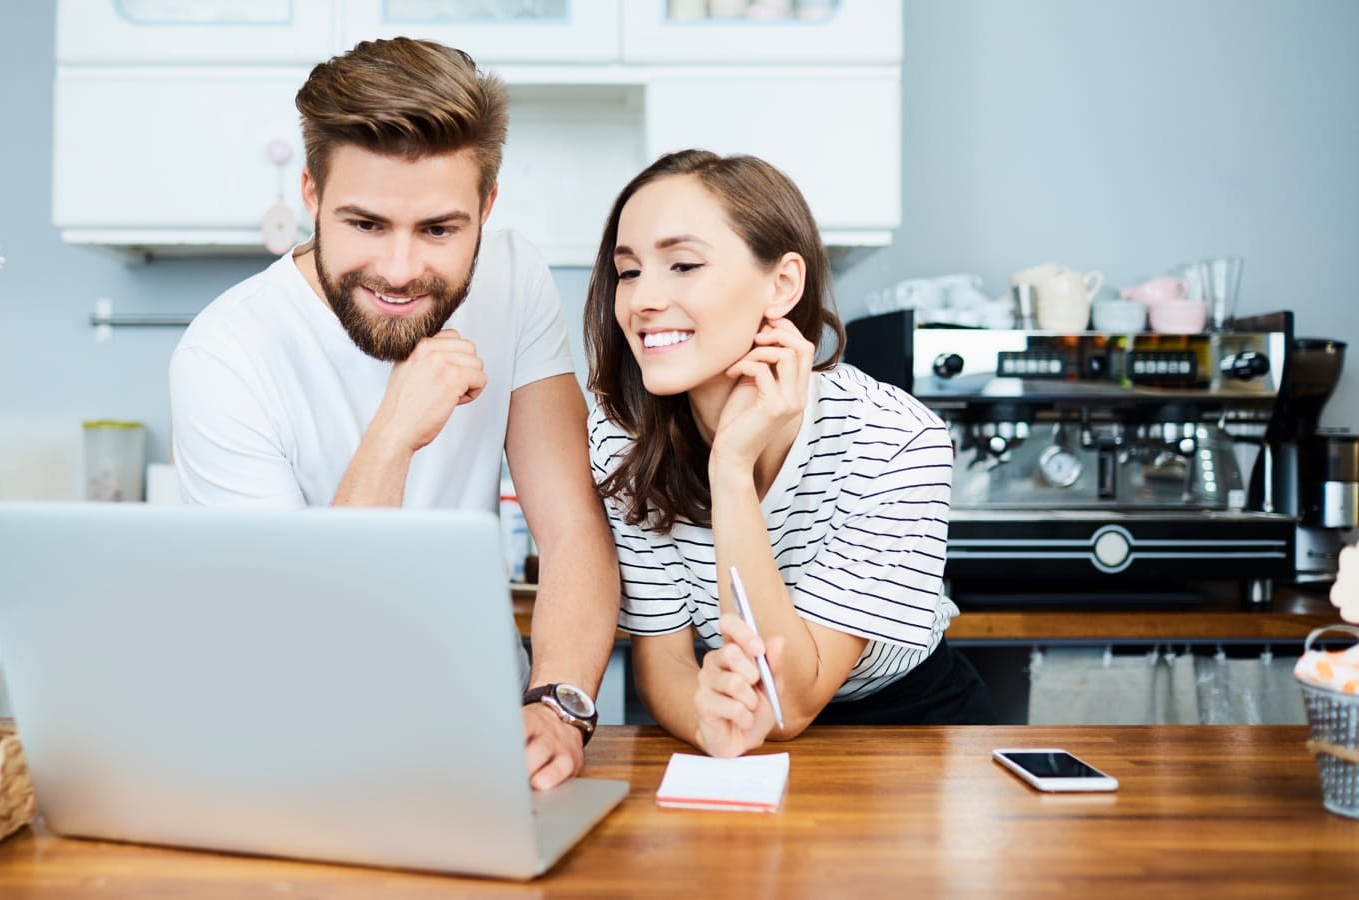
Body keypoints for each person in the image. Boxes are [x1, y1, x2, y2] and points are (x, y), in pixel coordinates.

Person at [169, 38, 619, 790]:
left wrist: (558, 705)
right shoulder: (225, 353)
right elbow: (303, 641)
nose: (402, 271)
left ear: (487, 206)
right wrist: (393, 432)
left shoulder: (513, 277)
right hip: (300, 741)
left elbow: (572, 525)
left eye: (440, 230)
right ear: (311, 197)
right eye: (367, 224)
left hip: (485, 726)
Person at [583, 150, 994, 758]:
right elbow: (664, 656)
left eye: (683, 264)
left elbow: (789, 702)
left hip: (910, 730)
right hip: (734, 724)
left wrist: (730, 470)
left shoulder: (895, 440)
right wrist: (704, 718)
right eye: (630, 271)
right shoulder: (623, 438)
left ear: (782, 284)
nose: (642, 299)